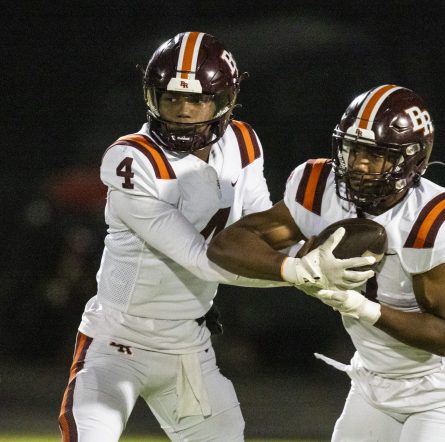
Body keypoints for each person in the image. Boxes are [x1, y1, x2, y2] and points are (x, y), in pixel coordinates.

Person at [57, 32, 374, 442]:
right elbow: (203, 257)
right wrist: (303, 272)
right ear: (153, 99)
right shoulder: (131, 159)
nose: (184, 111)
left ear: (223, 100)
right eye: (172, 98)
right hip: (116, 346)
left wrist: (315, 257)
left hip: (189, 349)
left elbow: (261, 229)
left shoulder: (242, 142)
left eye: (197, 99)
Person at [208, 84, 445, 441]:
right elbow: (227, 244)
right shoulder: (319, 188)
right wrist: (294, 269)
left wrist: (364, 308)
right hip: (372, 384)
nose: (358, 165)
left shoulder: (431, 220)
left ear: (411, 158)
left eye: (375, 155)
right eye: (352, 149)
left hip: (443, 391)